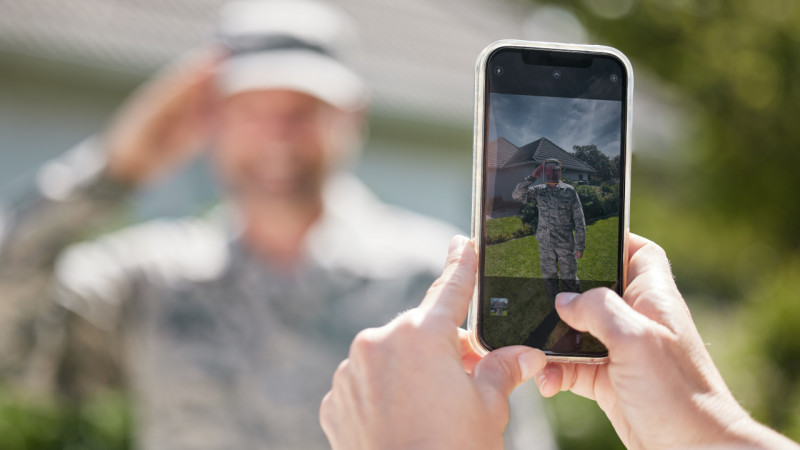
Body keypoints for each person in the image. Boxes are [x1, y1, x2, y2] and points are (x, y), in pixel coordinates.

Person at [0, 1, 485, 448]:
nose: (277, 135)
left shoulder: (436, 283)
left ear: (349, 116)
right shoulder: (150, 279)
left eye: (301, 110)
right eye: (250, 109)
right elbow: (13, 358)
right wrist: (112, 172)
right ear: (211, 116)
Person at [320, 233, 800, 449]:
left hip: (564, 249)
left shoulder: (567, 193)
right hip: (543, 249)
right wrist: (702, 434)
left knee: (566, 284)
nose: (549, 171)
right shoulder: (538, 190)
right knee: (550, 284)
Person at [512, 159, 586, 297]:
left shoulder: (569, 191)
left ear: (559, 172)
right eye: (548, 170)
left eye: (554, 170)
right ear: (544, 172)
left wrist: (580, 245)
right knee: (549, 279)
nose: (551, 173)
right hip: (545, 244)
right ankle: (554, 308)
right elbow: (517, 195)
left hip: (565, 244)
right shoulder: (539, 191)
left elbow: (579, 219)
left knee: (569, 279)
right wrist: (532, 177)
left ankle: (575, 307)